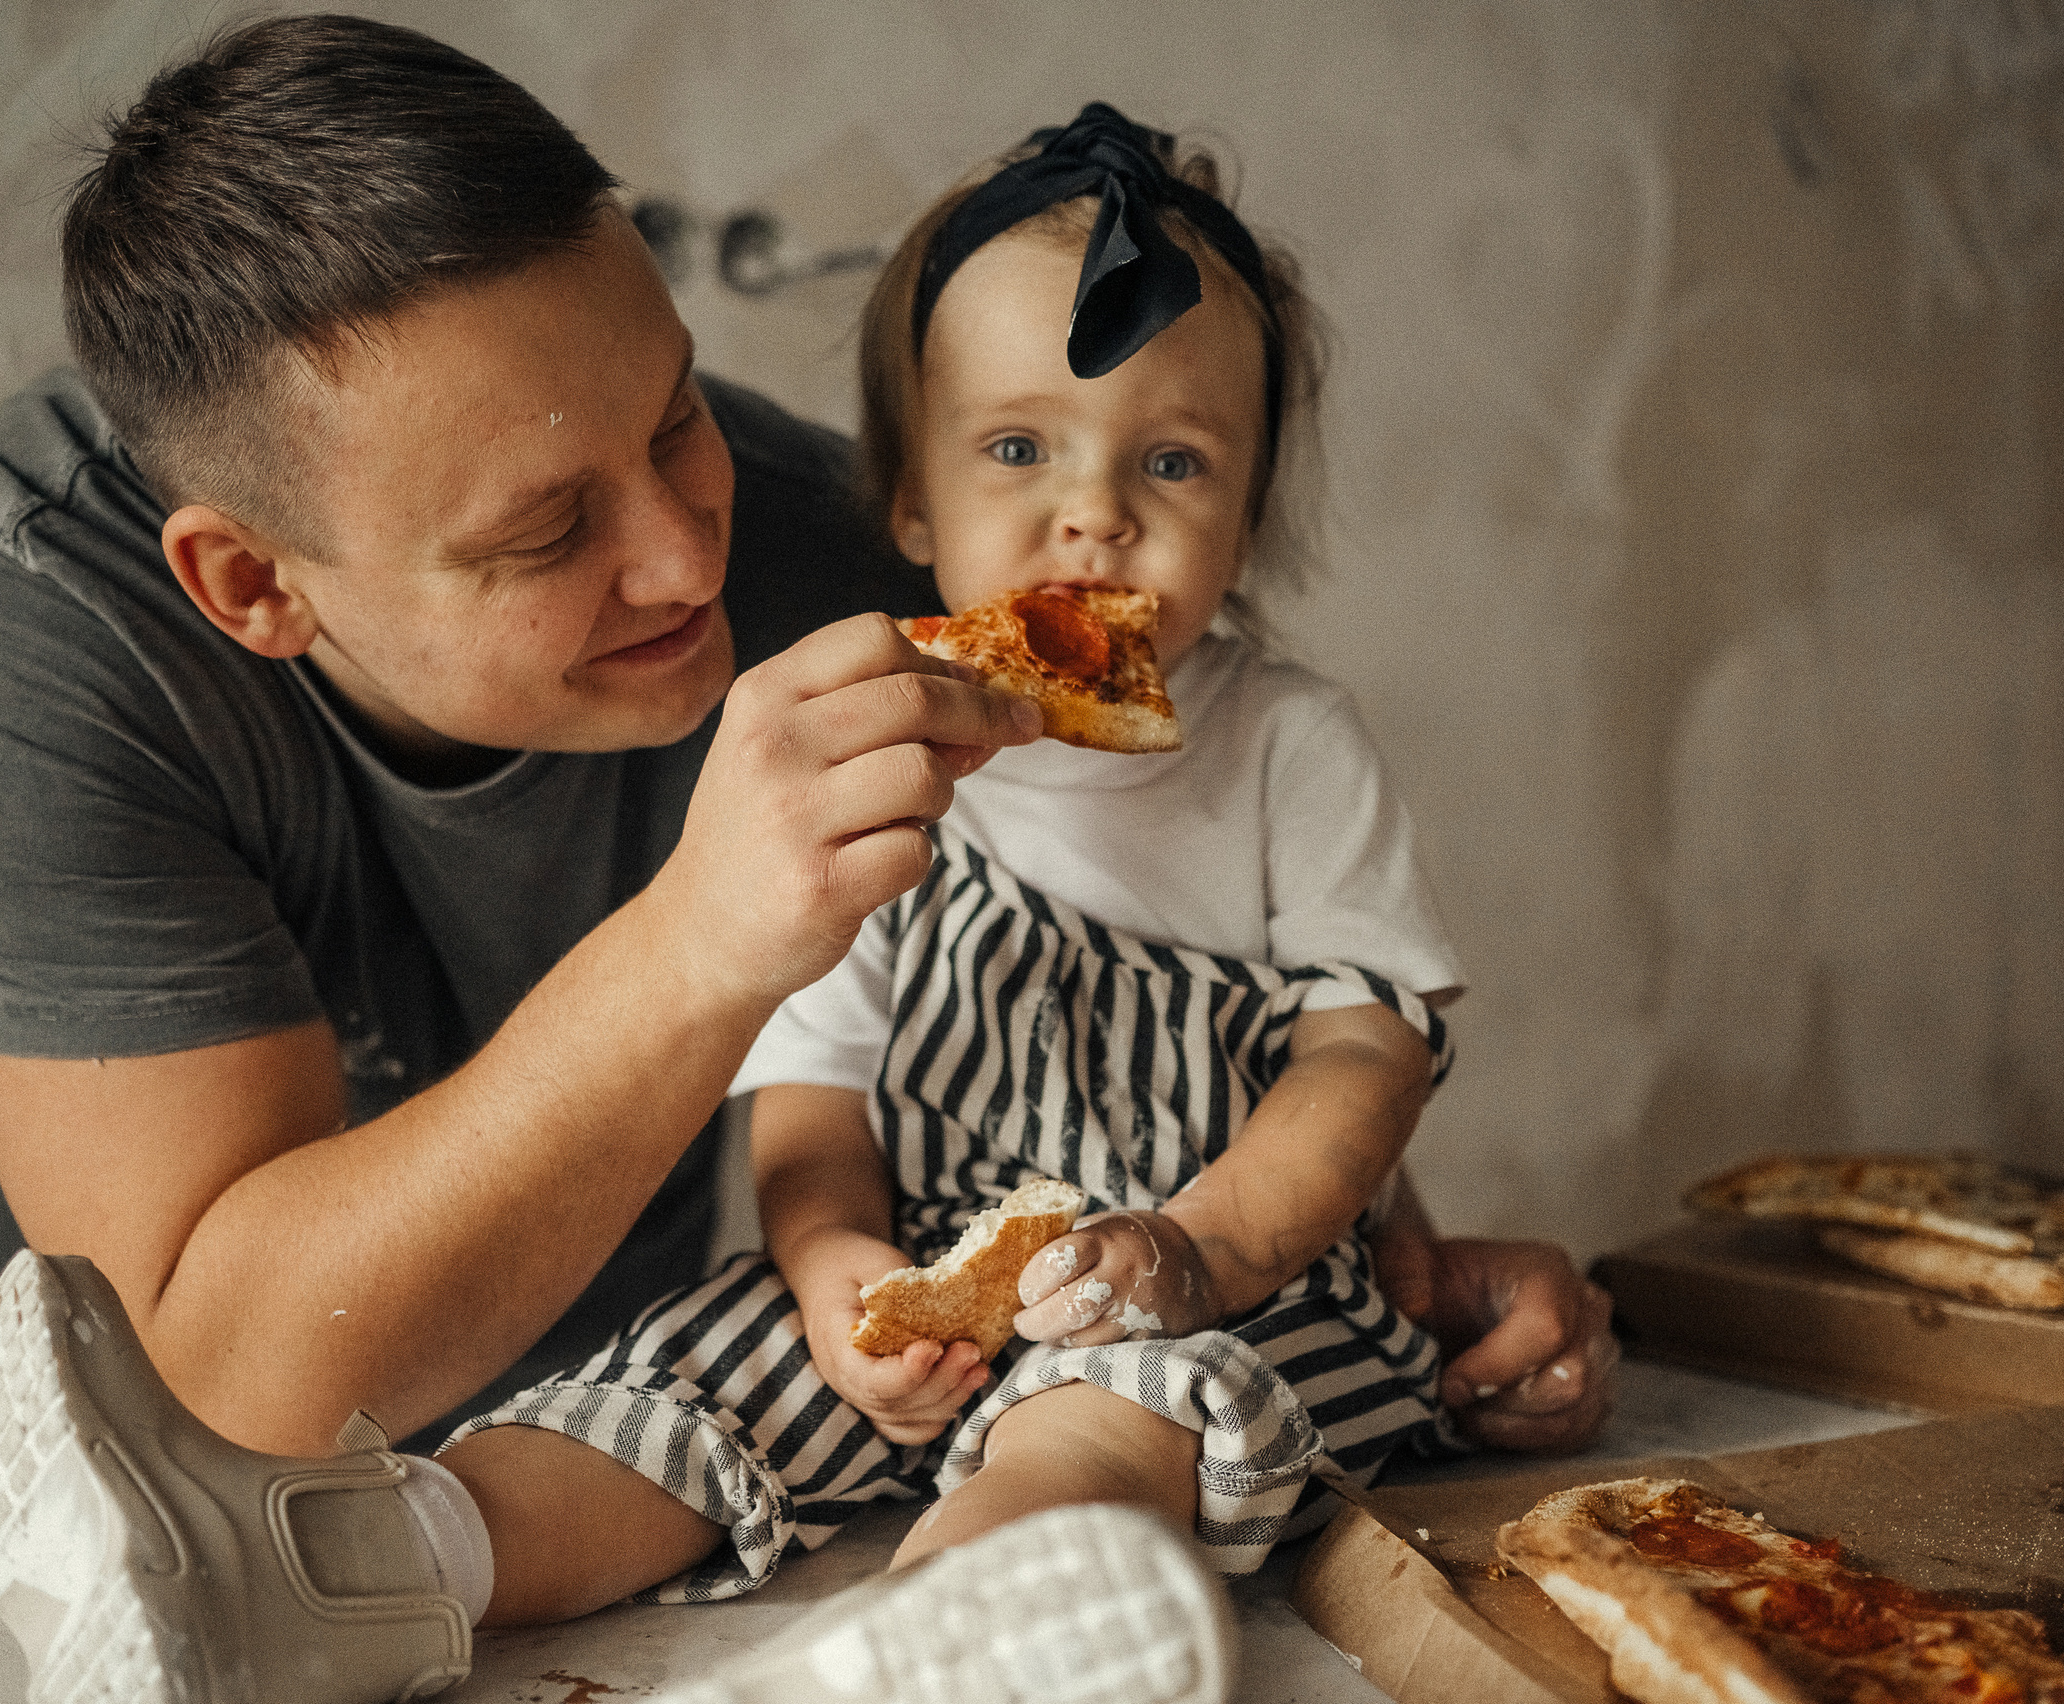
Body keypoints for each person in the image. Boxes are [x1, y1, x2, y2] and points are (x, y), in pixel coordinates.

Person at [0, 18, 1611, 1704]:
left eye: (672, 417)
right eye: (548, 529)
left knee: (1097, 1430)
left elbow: (1261, 979)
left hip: (707, 1580)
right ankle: (290, 1583)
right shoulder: (42, 627)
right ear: (254, 587)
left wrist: (1405, 1270)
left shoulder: (850, 566)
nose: (684, 558)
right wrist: (711, 941)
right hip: (223, 1543)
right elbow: (214, 1387)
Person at [427, 100, 1602, 1613]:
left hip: (1222, 1288)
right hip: (928, 1277)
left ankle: (981, 1612)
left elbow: (1363, 1066)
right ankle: (380, 1559)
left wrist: (1201, 1251)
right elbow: (815, 1092)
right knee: (675, 1382)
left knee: (1105, 1415)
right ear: (914, 495)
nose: (1094, 517)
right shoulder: (860, 748)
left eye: (1172, 464)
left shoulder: (1289, 750)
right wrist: (837, 1265)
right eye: (1018, 447)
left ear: (1245, 518)